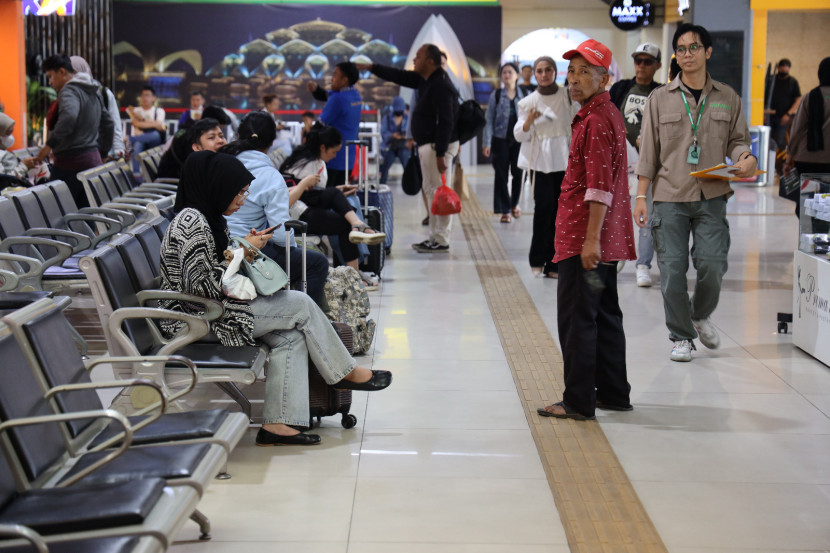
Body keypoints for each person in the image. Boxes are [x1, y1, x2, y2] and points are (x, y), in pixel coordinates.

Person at [159, 150, 392, 446]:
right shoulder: (192, 222)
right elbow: (200, 288)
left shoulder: (211, 217)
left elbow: (219, 269)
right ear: (217, 187)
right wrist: (243, 250)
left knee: (290, 337)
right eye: (239, 193)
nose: (242, 200)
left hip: (216, 310)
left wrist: (246, 246)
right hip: (198, 318)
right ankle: (343, 372)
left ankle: (277, 424)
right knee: (300, 304)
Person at [634, 23, 756, 363]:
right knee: (672, 270)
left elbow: (738, 141)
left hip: (712, 195)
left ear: (708, 52)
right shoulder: (659, 99)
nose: (687, 54)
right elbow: (649, 153)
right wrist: (641, 196)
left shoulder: (727, 97)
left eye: (694, 47)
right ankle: (681, 336)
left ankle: (699, 314)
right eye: (682, 49)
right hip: (670, 196)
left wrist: (747, 158)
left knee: (713, 264)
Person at [536, 39, 636, 421]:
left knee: (578, 318)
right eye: (572, 72)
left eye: (584, 73)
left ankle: (578, 401)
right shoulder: (605, 113)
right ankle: (613, 392)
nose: (574, 80)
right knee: (604, 314)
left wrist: (590, 240)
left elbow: (598, 187)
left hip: (585, 241)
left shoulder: (594, 121)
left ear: (604, 78)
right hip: (599, 241)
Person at [221, 112, 332, 309]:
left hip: (220, 244)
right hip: (248, 249)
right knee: (317, 262)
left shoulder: (223, 163)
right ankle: (308, 318)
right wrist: (293, 245)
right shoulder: (269, 176)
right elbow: (281, 234)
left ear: (239, 136)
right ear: (272, 142)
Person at [360, 44, 459, 253]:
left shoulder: (440, 84)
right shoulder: (427, 79)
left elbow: (447, 121)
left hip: (435, 147)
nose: (414, 60)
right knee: (432, 191)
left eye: (418, 57)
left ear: (430, 61)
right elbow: (399, 76)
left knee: (438, 192)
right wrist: (372, 67)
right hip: (429, 146)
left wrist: (441, 152)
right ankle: (435, 237)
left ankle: (441, 239)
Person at [280, 123, 385, 283]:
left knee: (345, 198)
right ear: (323, 147)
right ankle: (354, 272)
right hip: (298, 213)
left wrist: (335, 191)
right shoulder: (307, 165)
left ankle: (357, 230)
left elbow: (312, 194)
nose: (335, 156)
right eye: (334, 151)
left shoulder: (309, 159)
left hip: (304, 206)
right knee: (344, 223)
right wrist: (329, 191)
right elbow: (292, 196)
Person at [22, 54, 114, 209]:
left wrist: (47, 147)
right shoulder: (93, 91)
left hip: (69, 164)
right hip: (93, 162)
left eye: (51, 76)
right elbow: (108, 124)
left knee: (57, 215)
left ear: (62, 72)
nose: (50, 82)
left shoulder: (69, 91)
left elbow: (69, 117)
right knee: (86, 217)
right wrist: (103, 153)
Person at [514, 56, 577, 277]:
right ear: (534, 73)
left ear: (554, 72)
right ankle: (537, 259)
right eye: (539, 71)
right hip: (541, 163)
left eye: (547, 70)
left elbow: (577, 121)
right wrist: (529, 121)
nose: (543, 74)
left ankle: (554, 263)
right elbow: (520, 135)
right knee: (543, 210)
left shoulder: (567, 95)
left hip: (564, 162)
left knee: (561, 213)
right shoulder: (527, 102)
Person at [609, 42, 663, 288]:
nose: (641, 66)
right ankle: (617, 253)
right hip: (620, 160)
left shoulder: (662, 93)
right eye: (638, 61)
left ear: (657, 65)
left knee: (647, 215)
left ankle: (643, 264)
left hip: (648, 162)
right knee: (616, 211)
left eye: (647, 61)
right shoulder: (621, 88)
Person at [784, 57, 830, 215]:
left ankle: (811, 233)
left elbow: (797, 130)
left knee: (808, 202)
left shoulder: (810, 96)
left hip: (806, 159)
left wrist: (789, 158)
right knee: (825, 205)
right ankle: (822, 235)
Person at [483, 62, 527, 223]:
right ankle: (505, 210)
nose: (506, 75)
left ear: (517, 75)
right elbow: (489, 120)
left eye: (510, 72)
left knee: (518, 174)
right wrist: (486, 143)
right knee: (501, 175)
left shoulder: (524, 94)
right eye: (504, 73)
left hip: (519, 141)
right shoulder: (496, 95)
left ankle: (514, 203)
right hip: (500, 140)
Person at [306, 62, 362, 188]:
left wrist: (305, 141)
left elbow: (320, 125)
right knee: (338, 195)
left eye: (335, 75)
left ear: (344, 80)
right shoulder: (355, 95)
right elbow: (329, 95)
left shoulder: (338, 99)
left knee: (326, 196)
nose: (331, 79)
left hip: (331, 158)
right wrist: (316, 90)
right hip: (348, 158)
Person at [70, 55, 125, 160]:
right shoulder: (68, 94)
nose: (73, 76)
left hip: (104, 153)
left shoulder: (103, 93)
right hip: (77, 154)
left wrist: (118, 151)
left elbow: (114, 123)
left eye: (74, 71)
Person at [156, 115, 227, 180]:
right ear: (196, 147)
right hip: (172, 186)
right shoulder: (191, 155)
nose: (220, 141)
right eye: (211, 137)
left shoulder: (189, 134)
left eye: (221, 136)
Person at [127, 85, 166, 173]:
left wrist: (143, 121)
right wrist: (153, 124)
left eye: (147, 95)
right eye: (143, 95)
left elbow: (159, 125)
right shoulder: (135, 111)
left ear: (154, 98)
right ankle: (136, 174)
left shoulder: (159, 111)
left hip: (155, 142)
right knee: (138, 143)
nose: (144, 98)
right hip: (140, 138)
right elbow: (135, 124)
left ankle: (130, 139)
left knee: (155, 135)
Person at [765, 59, 802, 151]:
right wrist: (763, 113)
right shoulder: (771, 80)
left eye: (786, 69)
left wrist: (788, 114)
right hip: (769, 116)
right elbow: (763, 96)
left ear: (789, 69)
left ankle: (778, 163)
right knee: (767, 141)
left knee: (780, 142)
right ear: (778, 68)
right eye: (782, 69)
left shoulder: (792, 82)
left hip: (783, 117)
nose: (784, 71)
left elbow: (798, 99)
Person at [379, 97, 411, 184]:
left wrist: (405, 136)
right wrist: (392, 135)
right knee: (387, 162)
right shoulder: (387, 118)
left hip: (403, 145)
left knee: (406, 162)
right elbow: (383, 132)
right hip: (390, 145)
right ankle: (382, 183)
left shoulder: (407, 119)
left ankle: (409, 183)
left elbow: (411, 131)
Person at [0, 113, 31, 185]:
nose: (10, 136)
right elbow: (3, 181)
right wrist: (24, 166)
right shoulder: (3, 155)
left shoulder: (4, 153)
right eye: (8, 132)